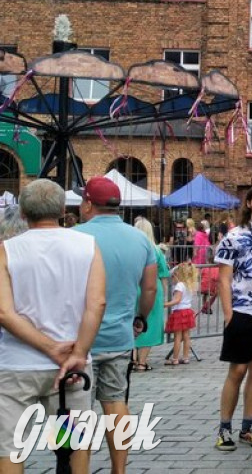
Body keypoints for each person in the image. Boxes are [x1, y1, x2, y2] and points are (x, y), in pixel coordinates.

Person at [0, 180, 106, 474]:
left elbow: (4, 313)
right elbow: (96, 303)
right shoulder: (87, 246)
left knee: (11, 446)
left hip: (17, 365)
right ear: (62, 210)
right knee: (74, 442)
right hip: (72, 364)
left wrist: (49, 348)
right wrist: (77, 353)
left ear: (22, 213)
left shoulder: (6, 251)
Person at [75, 176, 157, 474]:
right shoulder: (140, 240)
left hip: (79, 341)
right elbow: (149, 289)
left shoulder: (75, 235)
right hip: (120, 338)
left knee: (73, 412)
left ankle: (74, 466)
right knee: (116, 403)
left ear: (87, 203)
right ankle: (119, 469)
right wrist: (140, 318)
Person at [213, 184, 252, 451]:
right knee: (237, 370)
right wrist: (228, 314)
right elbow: (224, 278)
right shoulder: (234, 237)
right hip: (241, 311)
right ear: (249, 204)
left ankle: (248, 426)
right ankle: (224, 427)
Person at [133, 216, 170, 372]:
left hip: (134, 289)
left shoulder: (131, 250)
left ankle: (133, 359)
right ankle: (142, 361)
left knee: (132, 324)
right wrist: (164, 293)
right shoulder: (156, 251)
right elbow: (163, 274)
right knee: (150, 324)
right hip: (152, 289)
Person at [164, 260, 198, 365]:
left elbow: (177, 300)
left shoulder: (179, 285)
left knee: (178, 337)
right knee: (186, 336)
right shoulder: (189, 285)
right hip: (188, 311)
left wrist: (166, 304)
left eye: (174, 276)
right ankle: (186, 357)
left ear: (178, 274)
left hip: (179, 312)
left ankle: (175, 359)